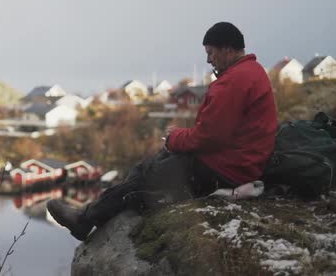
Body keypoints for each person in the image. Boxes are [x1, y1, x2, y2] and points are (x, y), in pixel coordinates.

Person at [47, 22, 278, 241]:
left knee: (150, 177)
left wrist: (174, 137)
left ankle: (85, 219)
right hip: (238, 161)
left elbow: (209, 137)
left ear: (227, 49)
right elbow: (217, 132)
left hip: (228, 169)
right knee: (147, 167)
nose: (208, 60)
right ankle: (91, 215)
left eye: (211, 52)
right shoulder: (251, 71)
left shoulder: (234, 81)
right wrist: (178, 138)